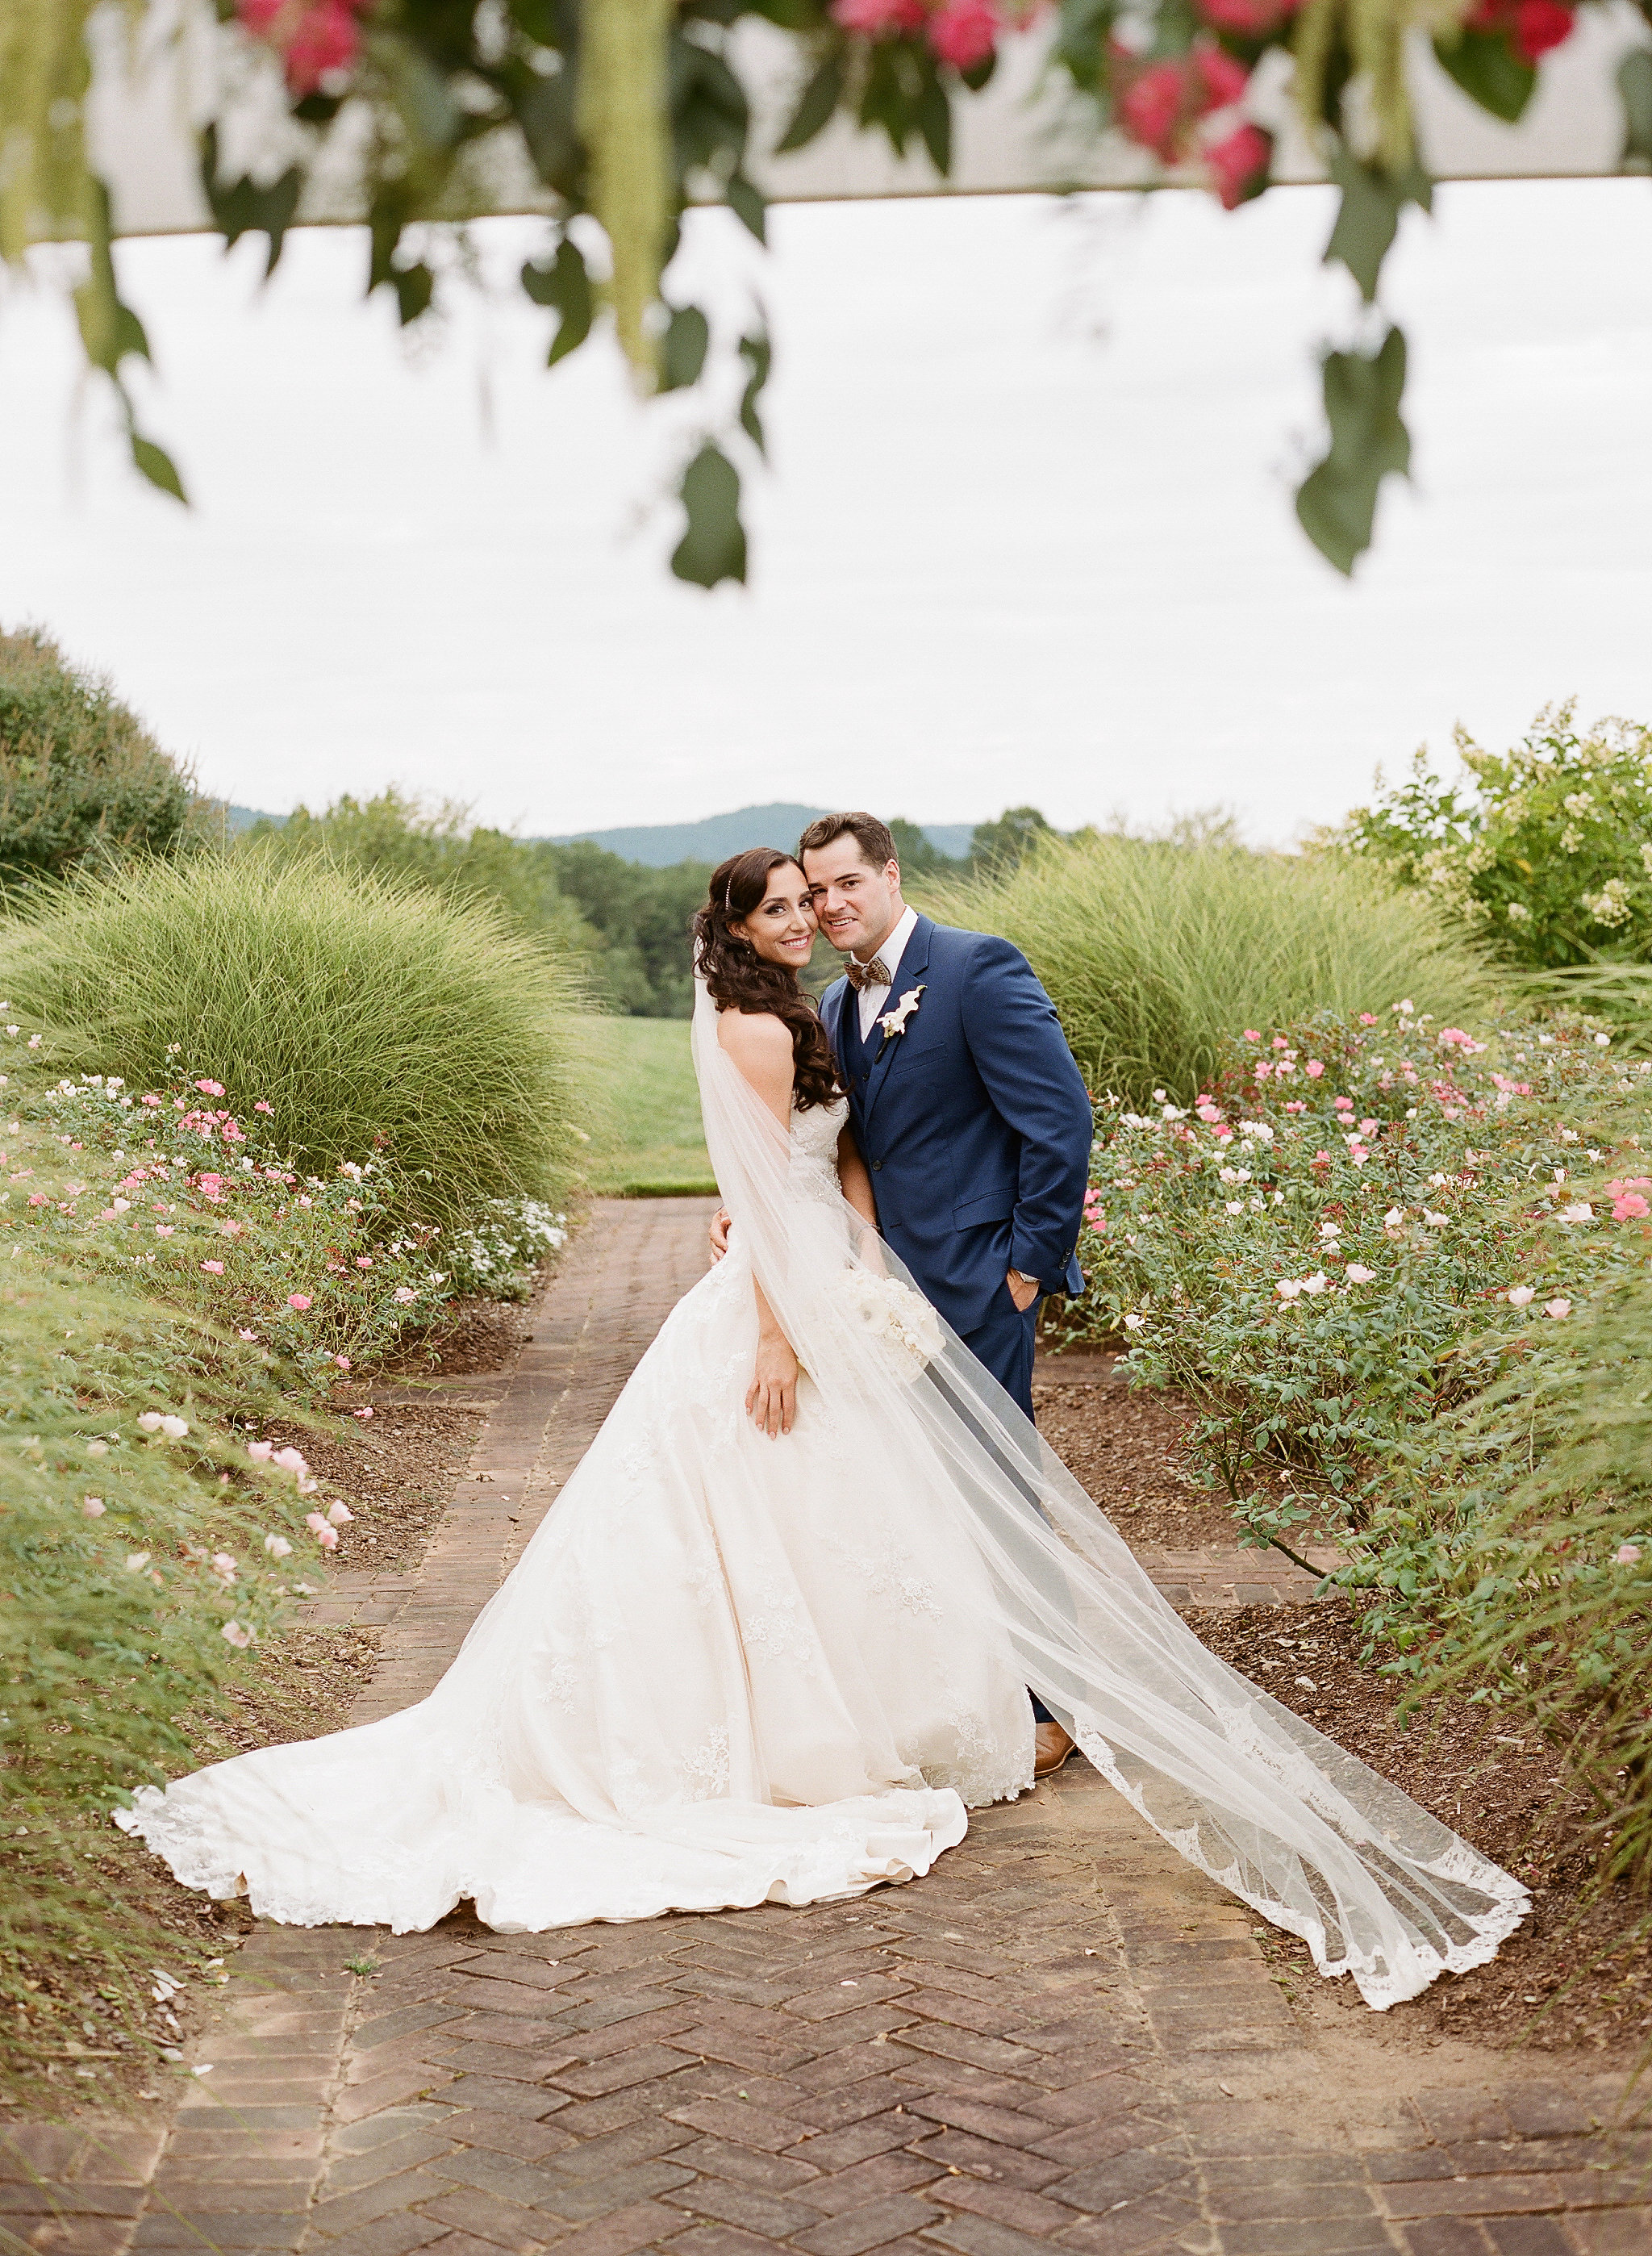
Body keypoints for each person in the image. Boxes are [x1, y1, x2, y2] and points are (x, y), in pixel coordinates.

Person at [117, 850, 1529, 2009]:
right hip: (767, 1317)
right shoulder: (751, 1023)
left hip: (834, 1284)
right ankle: (764, 1738)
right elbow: (755, 1172)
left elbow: (834, 1157)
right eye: (779, 906)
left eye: (812, 898)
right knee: (745, 1510)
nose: (803, 917)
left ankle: (925, 1708)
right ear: (734, 932)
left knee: (870, 1516)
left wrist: (869, 1271)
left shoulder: (825, 1017)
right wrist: (788, 1324)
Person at [709, 813, 1093, 1777]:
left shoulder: (975, 969)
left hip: (976, 1284)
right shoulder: (834, 1008)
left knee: (998, 1487)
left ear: (888, 875)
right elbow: (821, 1148)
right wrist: (745, 1212)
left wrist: (1024, 1268)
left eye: (844, 885)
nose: (829, 906)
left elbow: (1059, 1124)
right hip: (868, 1293)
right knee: (910, 1497)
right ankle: (957, 1690)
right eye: (812, 893)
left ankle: (1051, 1708)